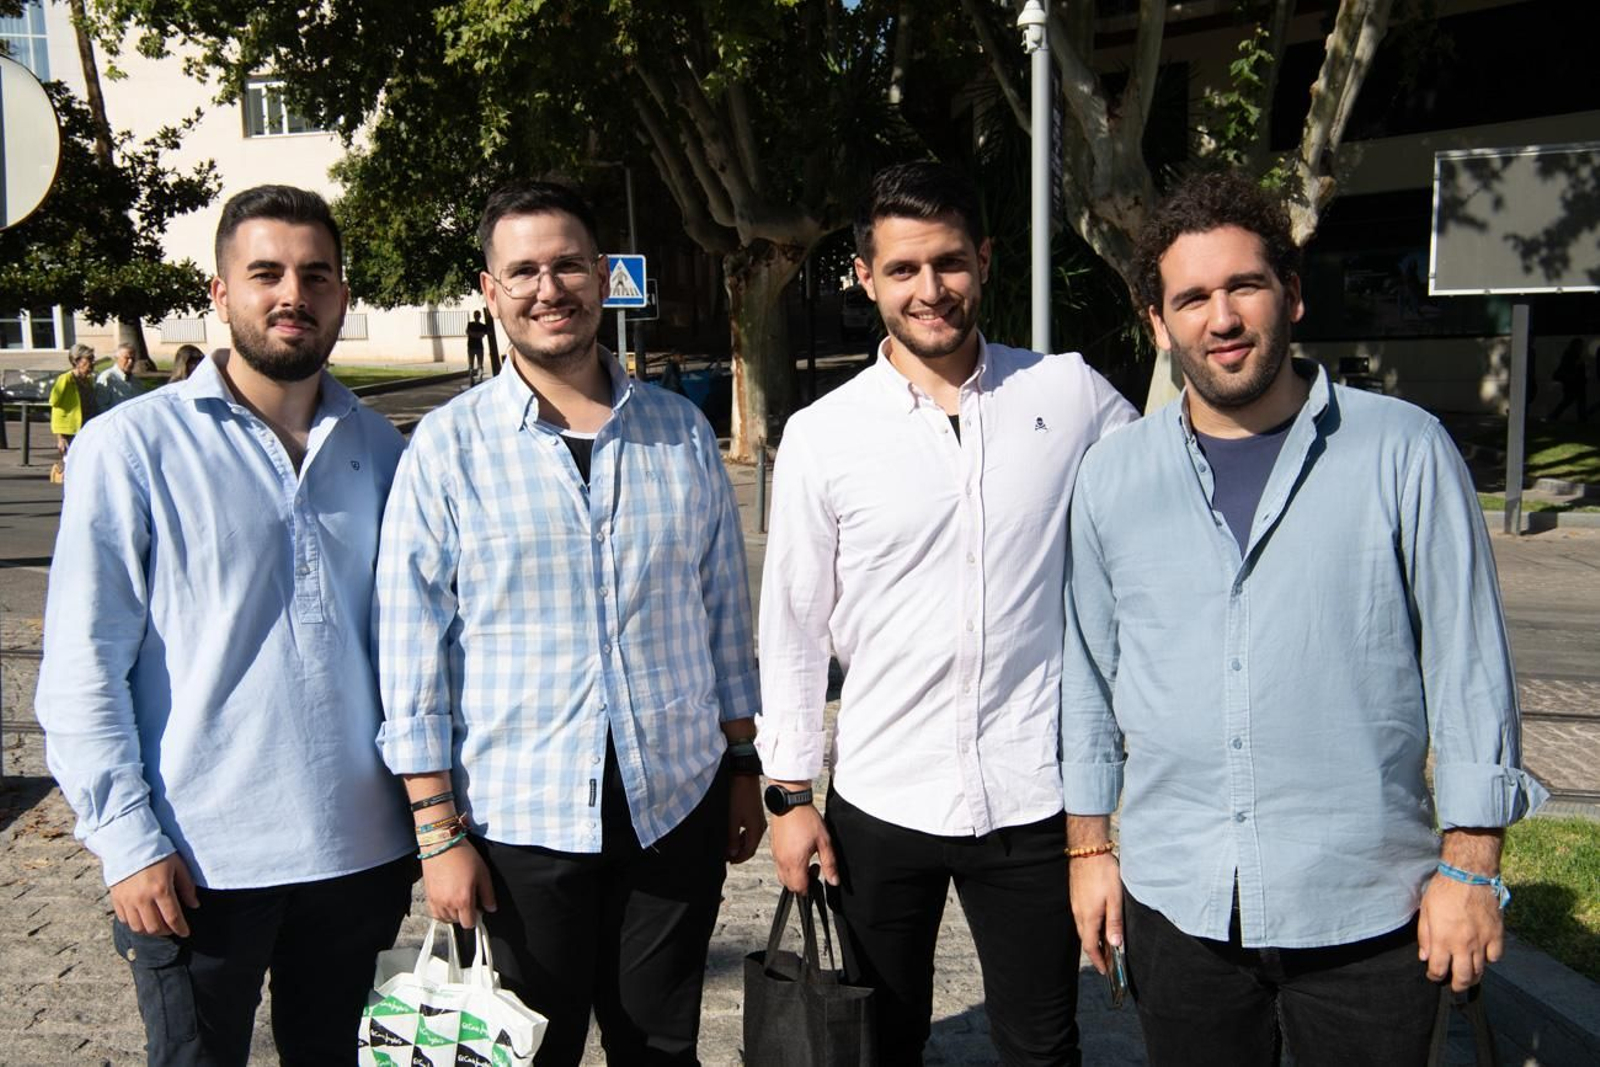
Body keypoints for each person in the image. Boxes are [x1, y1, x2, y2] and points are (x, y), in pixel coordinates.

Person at [1061, 171, 1548, 1067]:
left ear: (1291, 291)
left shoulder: (1403, 449)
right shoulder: (1111, 478)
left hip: (1367, 910)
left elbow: (1470, 666)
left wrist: (1473, 865)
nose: (1223, 318)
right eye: (1192, 297)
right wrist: (1089, 848)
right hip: (1181, 907)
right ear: (1158, 323)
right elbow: (1088, 678)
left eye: (1244, 285)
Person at [374, 179, 764, 1066]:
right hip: (518, 822)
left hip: (672, 806)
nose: (548, 288)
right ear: (490, 290)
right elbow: (412, 655)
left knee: (660, 1044)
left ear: (603, 275)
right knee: (523, 1053)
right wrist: (437, 834)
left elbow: (720, 619)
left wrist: (745, 765)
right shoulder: (448, 445)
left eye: (567, 265)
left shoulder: (679, 433)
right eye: (523, 271)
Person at [757, 161, 1137, 1067]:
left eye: (950, 263)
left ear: (986, 260)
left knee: (1044, 1043)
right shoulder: (823, 435)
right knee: (876, 1040)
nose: (930, 290)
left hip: (1032, 797)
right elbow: (795, 628)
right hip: (884, 799)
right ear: (866, 277)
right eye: (903, 269)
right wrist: (788, 796)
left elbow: (1168, 501)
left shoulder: (1070, 394)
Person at [35, 184, 415, 1065]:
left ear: (343, 297)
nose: (294, 294)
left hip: (360, 855)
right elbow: (84, 666)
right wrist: (126, 840)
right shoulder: (131, 447)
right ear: (219, 293)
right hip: (198, 863)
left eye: (316, 275)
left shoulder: (384, 450)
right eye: (267, 273)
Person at [49, 344, 100, 462]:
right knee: (72, 463)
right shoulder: (66, 379)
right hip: (71, 431)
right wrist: (60, 437)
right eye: (88, 360)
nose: (92, 364)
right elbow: (56, 406)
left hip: (87, 428)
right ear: (76, 361)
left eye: (93, 360)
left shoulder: (88, 380)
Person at [1549, 337, 1588, 421]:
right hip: (1574, 382)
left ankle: (1554, 416)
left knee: (1570, 401)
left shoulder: (1571, 355)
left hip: (1574, 382)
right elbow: (1570, 368)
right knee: (1571, 401)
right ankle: (1582, 418)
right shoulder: (1572, 355)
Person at [96, 342, 144, 409]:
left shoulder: (136, 381)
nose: (130, 362)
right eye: (127, 358)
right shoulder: (107, 378)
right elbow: (101, 406)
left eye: (133, 359)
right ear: (117, 358)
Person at [466, 309, 490, 383]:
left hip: (479, 347)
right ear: (474, 316)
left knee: (480, 364)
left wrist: (475, 334)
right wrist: (478, 335)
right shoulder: (470, 324)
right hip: (471, 347)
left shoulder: (482, 326)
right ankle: (471, 379)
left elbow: (486, 333)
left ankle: (480, 378)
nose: (476, 316)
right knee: (471, 364)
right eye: (475, 315)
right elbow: (468, 332)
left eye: (478, 315)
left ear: (480, 316)